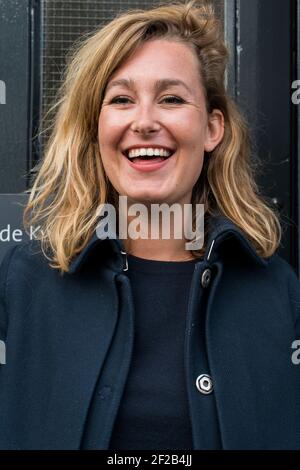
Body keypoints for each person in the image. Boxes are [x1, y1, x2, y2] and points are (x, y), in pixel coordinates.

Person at [0, 0, 300, 450]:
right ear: (96, 127)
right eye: (121, 99)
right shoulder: (22, 282)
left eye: (172, 99)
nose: (144, 122)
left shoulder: (277, 290)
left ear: (212, 128)